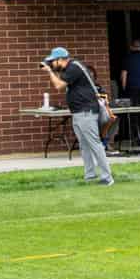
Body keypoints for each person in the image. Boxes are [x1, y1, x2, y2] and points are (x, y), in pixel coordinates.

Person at [43, 46, 113, 185]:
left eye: (53, 61)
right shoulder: (71, 68)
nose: (52, 64)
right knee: (84, 145)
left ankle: (107, 177)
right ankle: (90, 175)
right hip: (79, 113)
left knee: (94, 144)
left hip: (86, 112)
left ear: (61, 59)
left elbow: (59, 86)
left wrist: (50, 71)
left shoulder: (73, 68)